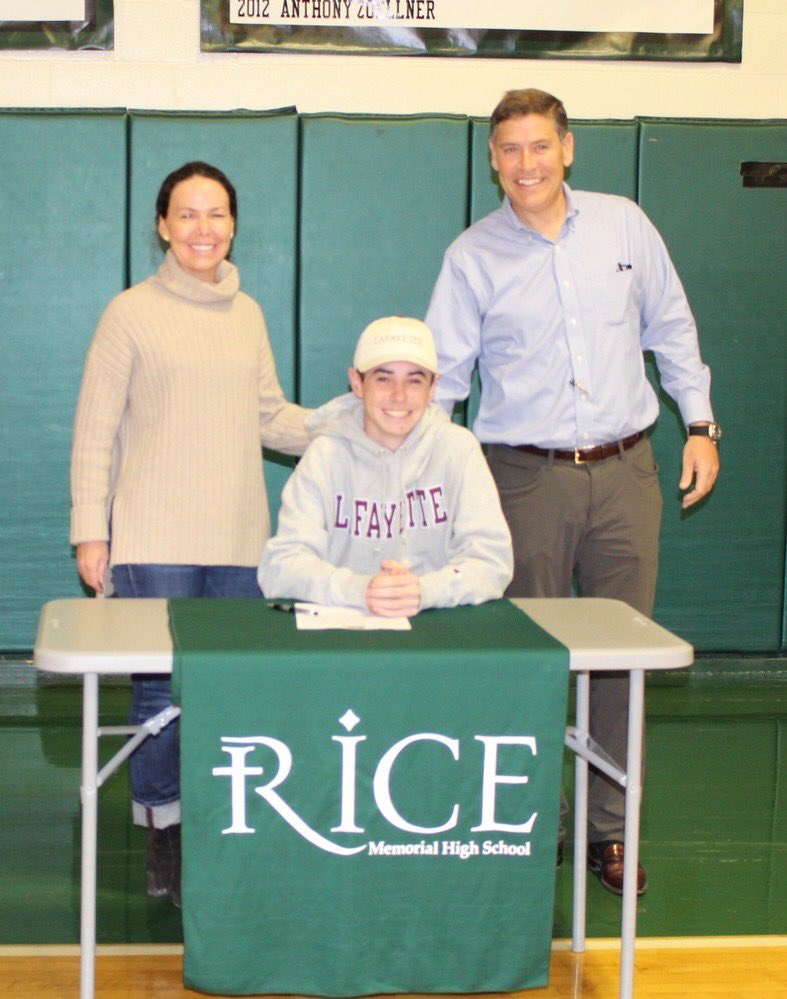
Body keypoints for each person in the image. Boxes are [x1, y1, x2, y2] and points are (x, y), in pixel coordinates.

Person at [425, 89, 720, 895]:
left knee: (619, 661)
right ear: (492, 159)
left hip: (628, 472)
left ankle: (609, 834)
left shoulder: (625, 225)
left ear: (568, 148)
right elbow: (443, 384)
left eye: (538, 146)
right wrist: (426, 483)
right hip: (521, 479)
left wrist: (699, 424)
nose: (526, 164)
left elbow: (672, 328)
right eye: (509, 150)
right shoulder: (471, 258)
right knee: (527, 659)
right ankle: (528, 817)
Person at [70, 161, 310, 907]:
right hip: (152, 539)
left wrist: (354, 419)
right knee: (162, 698)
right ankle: (163, 832)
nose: (203, 228)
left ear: (233, 224)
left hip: (240, 539)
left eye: (216, 214)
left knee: (230, 694)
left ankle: (222, 828)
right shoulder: (129, 313)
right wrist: (90, 528)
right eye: (188, 214)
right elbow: (95, 430)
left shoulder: (249, 315)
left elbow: (271, 416)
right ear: (163, 226)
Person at [259, 316, 513, 616]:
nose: (399, 395)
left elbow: (493, 562)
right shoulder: (325, 454)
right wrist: (359, 589)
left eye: (415, 380)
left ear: (434, 387)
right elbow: (281, 567)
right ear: (357, 382)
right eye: (383, 378)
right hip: (343, 632)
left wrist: (425, 590)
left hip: (437, 629)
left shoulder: (458, 450)